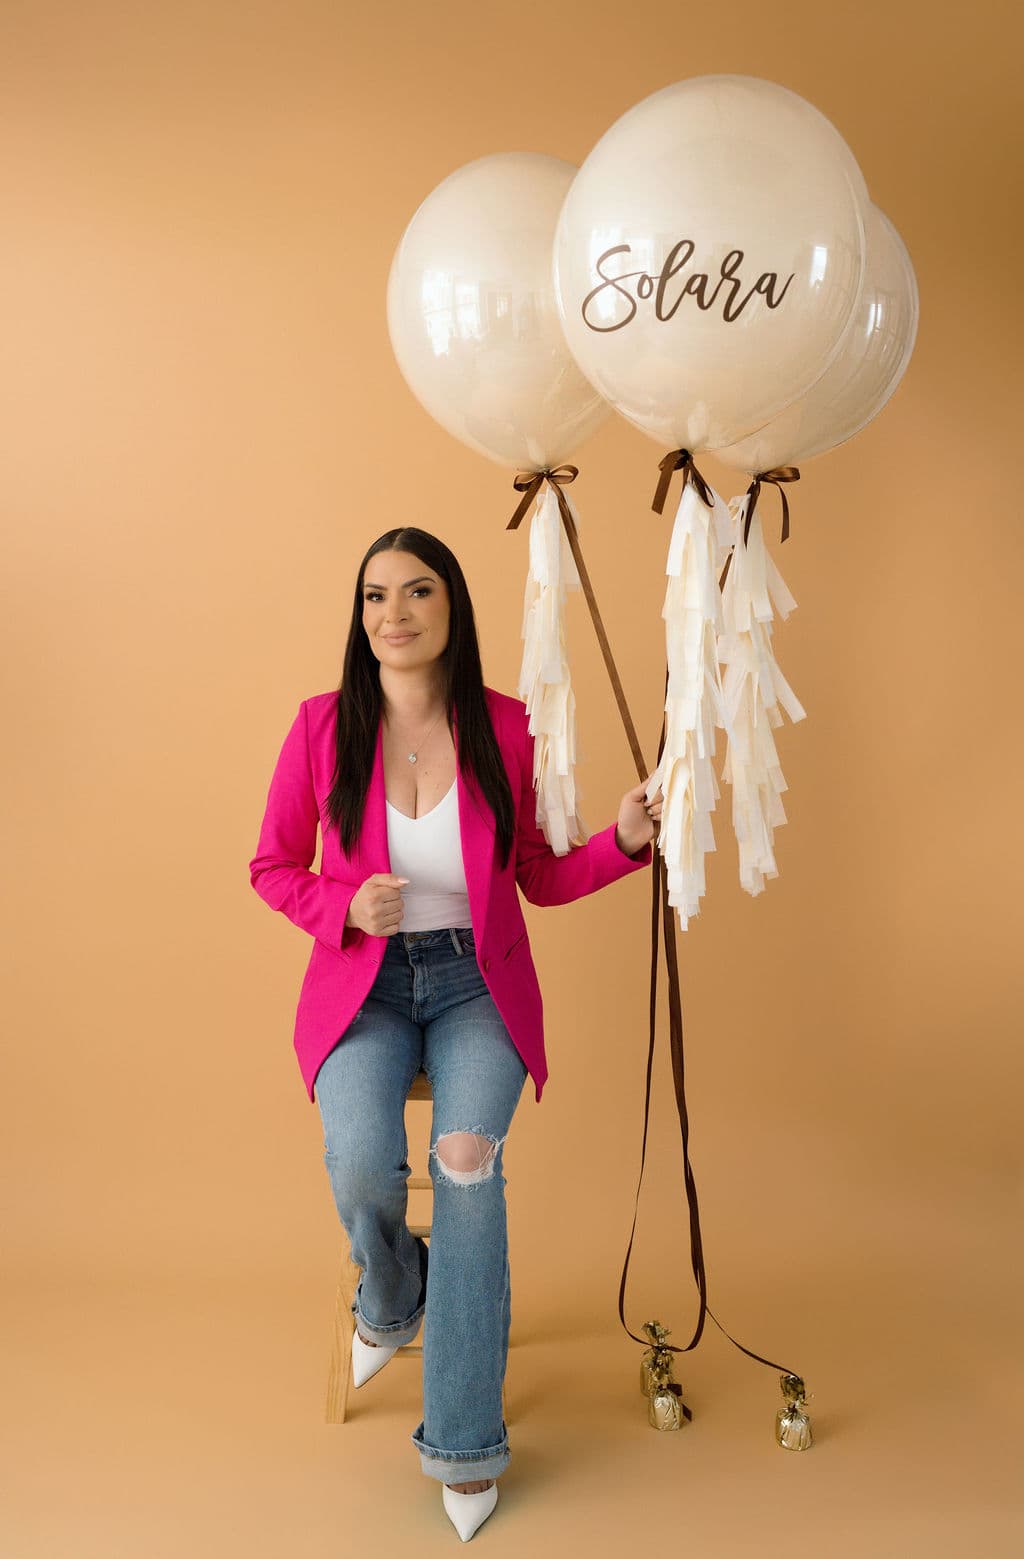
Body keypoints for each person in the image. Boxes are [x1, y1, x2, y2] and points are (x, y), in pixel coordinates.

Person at [248, 526, 661, 1541]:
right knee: (360, 1164)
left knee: (467, 1164)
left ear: (451, 608)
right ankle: (392, 1292)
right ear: (362, 618)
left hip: (477, 983)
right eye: (375, 595)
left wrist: (622, 840)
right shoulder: (318, 729)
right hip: (365, 987)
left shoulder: (509, 728)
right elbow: (270, 866)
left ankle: (465, 1441)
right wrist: (345, 904)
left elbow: (537, 873)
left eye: (417, 590)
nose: (393, 612)